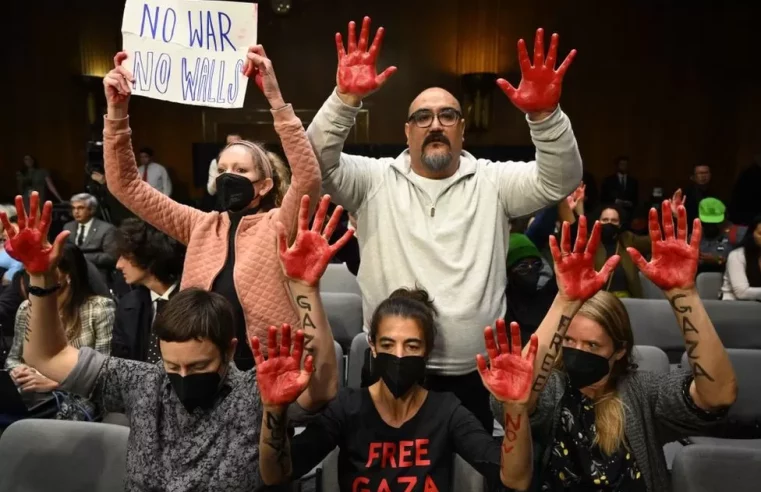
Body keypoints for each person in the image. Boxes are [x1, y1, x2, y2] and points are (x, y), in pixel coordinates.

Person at [307, 17, 582, 431]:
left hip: (473, 376)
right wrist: (344, 99)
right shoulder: (373, 180)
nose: (435, 124)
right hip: (389, 369)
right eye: (423, 117)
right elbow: (313, 164)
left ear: (462, 130)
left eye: (447, 115)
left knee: (468, 478)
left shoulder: (494, 182)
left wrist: (545, 117)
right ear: (407, 131)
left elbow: (560, 179)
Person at [0, 192, 350, 491]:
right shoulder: (142, 383)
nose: (183, 376)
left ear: (229, 351)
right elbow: (47, 356)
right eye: (173, 366)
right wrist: (41, 277)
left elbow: (321, 388)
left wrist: (304, 289)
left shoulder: (255, 392)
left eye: (198, 366)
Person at [101, 45, 321, 370]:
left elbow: (308, 179)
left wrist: (276, 101)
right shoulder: (199, 224)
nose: (229, 176)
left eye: (241, 170)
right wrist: (117, 112)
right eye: (223, 170)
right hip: (201, 366)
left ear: (264, 185)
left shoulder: (279, 223)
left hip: (264, 366)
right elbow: (126, 185)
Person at [491, 202, 737, 490]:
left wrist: (685, 294)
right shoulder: (553, 390)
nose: (578, 350)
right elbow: (514, 399)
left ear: (619, 350)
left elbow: (718, 395)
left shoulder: (644, 392)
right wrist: (565, 302)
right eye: (569, 340)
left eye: (593, 345)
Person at [255, 287, 539, 491]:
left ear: (426, 351)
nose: (399, 356)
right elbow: (276, 475)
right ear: (373, 347)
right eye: (388, 345)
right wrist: (274, 410)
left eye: (411, 345)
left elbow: (515, 479)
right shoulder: (347, 407)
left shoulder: (446, 410)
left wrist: (515, 407)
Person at [108, 219, 186, 362]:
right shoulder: (128, 304)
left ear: (149, 255)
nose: (118, 265)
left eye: (126, 256)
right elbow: (120, 362)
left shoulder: (193, 303)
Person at [596, 204, 651, 298]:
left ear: (620, 224)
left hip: (626, 299)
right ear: (598, 222)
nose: (609, 223)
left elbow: (656, 242)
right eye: (605, 220)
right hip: (597, 299)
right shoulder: (590, 241)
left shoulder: (627, 239)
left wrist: (675, 217)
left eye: (614, 220)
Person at [63, 193, 117, 280]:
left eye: (80, 208)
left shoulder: (106, 228)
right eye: (73, 208)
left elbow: (111, 256)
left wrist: (83, 258)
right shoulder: (68, 227)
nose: (76, 212)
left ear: (91, 210)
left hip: (97, 273)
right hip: (72, 274)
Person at [721, 215, 761, 301]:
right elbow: (741, 292)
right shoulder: (737, 255)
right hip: (735, 307)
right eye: (760, 234)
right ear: (752, 234)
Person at [600, 156, 639, 224]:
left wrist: (630, 203)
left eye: (625, 164)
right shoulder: (609, 180)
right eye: (621, 164)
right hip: (613, 211)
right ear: (617, 166)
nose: (623, 166)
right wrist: (616, 201)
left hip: (629, 213)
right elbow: (603, 197)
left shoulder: (633, 181)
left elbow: (636, 198)